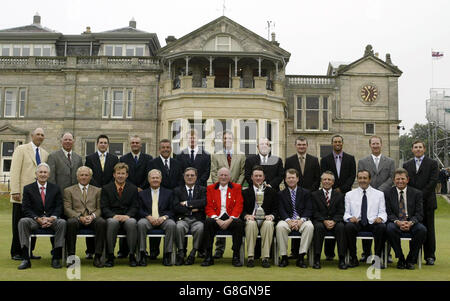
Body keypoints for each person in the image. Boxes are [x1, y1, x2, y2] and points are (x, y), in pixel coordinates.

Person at [17, 163, 66, 270]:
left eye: (45, 172)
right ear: (36, 174)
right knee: (22, 222)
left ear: (48, 175)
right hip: (35, 220)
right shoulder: (28, 189)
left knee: (62, 222)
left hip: (51, 220)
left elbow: (59, 207)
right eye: (41, 172)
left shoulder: (55, 188)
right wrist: (38, 219)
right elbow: (26, 208)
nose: (43, 174)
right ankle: (25, 259)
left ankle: (56, 258)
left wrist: (52, 218)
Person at [10, 127, 49, 261]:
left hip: (36, 196)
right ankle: (16, 252)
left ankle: (29, 251)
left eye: (42, 135)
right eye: (37, 134)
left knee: (34, 223)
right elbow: (14, 170)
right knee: (19, 224)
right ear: (32, 135)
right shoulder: (21, 149)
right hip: (20, 195)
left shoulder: (44, 153)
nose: (40, 136)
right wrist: (15, 190)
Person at [48, 132, 89, 257]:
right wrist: (55, 196)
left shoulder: (78, 158)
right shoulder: (53, 156)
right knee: (58, 226)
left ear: (74, 141)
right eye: (65, 139)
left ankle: (70, 252)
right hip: (59, 198)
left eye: (70, 140)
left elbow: (81, 178)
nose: (67, 142)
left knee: (71, 226)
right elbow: (51, 179)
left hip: (74, 200)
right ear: (61, 141)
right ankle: (57, 251)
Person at [357, 135, 395, 262]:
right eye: (373, 143)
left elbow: (391, 177)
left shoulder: (390, 161)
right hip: (367, 196)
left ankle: (386, 253)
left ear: (381, 144)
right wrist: (371, 190)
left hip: (386, 195)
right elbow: (361, 178)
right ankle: (366, 253)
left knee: (384, 223)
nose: (375, 146)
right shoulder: (363, 161)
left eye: (377, 143)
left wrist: (380, 190)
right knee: (366, 221)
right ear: (370, 145)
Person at [210, 130, 246, 259]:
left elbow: (242, 173)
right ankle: (219, 249)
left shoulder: (241, 155)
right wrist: (221, 187)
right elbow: (214, 173)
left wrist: (235, 187)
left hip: (235, 192)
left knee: (234, 219)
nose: (227, 141)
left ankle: (235, 250)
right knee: (220, 217)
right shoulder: (215, 155)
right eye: (225, 138)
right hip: (219, 192)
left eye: (230, 138)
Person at [403, 140, 439, 265]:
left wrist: (420, 196)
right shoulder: (406, 165)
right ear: (412, 149)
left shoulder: (433, 163)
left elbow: (433, 181)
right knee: (415, 229)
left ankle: (430, 256)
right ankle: (414, 254)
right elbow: (406, 182)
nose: (418, 149)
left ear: (424, 149)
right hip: (412, 204)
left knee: (429, 229)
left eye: (420, 147)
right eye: (415, 147)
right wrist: (415, 198)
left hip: (428, 202)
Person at [320, 134, 356, 260]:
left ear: (342, 143)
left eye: (339, 142)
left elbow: (352, 176)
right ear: (332, 144)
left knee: (341, 224)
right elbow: (324, 175)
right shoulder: (325, 159)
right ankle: (329, 254)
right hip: (329, 195)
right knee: (328, 218)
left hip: (346, 195)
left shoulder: (350, 158)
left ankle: (344, 253)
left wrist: (341, 189)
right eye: (335, 142)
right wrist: (332, 190)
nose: (337, 144)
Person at [284, 136, 320, 258]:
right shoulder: (289, 160)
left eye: (303, 144)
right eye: (299, 144)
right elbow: (287, 179)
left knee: (306, 222)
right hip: (294, 195)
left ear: (307, 145)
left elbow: (317, 179)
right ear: (296, 146)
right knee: (294, 219)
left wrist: (307, 192)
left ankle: (305, 252)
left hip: (309, 196)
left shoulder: (314, 160)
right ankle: (294, 252)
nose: (301, 146)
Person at [64, 166, 106, 268]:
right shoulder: (68, 190)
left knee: (101, 222)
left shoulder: (97, 190)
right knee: (70, 223)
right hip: (77, 219)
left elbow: (100, 208)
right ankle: (71, 257)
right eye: (81, 175)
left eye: (86, 175)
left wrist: (92, 216)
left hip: (92, 218)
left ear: (90, 177)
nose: (84, 177)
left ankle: (97, 256)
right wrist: (79, 217)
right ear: (77, 177)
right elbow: (67, 209)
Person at [148, 139, 183, 259]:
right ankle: (153, 251)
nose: (165, 149)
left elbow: (180, 180)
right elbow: (153, 180)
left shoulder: (177, 163)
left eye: (168, 147)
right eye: (163, 147)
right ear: (159, 149)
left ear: (171, 149)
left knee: (172, 224)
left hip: (174, 198)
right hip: (158, 196)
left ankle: (169, 252)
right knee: (155, 221)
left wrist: (176, 193)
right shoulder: (153, 162)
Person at [385, 168, 427, 270]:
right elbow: (388, 213)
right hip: (395, 222)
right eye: (398, 179)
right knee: (389, 229)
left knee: (422, 230)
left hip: (411, 221)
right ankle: (401, 258)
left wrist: (410, 222)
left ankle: (411, 259)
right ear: (394, 180)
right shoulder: (387, 193)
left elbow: (419, 213)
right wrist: (398, 222)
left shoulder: (417, 193)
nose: (400, 181)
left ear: (407, 179)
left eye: (403, 179)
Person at [118, 135, 153, 258]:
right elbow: (122, 175)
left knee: (141, 222)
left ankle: (143, 250)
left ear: (141, 145)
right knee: (127, 219)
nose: (135, 144)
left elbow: (149, 175)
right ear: (130, 144)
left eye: (137, 143)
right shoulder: (123, 158)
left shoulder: (148, 158)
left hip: (144, 193)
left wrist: (141, 188)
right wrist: (133, 188)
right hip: (129, 193)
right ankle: (123, 250)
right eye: (133, 142)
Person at [344, 170, 387, 268]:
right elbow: (346, 213)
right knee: (349, 227)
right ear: (357, 179)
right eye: (360, 178)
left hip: (373, 223)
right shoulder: (349, 194)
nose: (362, 180)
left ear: (369, 179)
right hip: (357, 222)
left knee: (382, 227)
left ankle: (377, 259)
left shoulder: (379, 194)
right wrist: (350, 218)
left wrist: (380, 218)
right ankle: (353, 258)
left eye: (365, 178)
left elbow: (383, 212)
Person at [201, 167, 244, 267]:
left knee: (239, 224)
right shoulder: (211, 188)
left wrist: (230, 219)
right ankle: (208, 256)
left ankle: (236, 256)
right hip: (216, 218)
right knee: (207, 222)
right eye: (221, 175)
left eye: (226, 175)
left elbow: (239, 204)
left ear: (229, 177)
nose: (223, 177)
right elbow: (208, 206)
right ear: (218, 176)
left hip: (231, 218)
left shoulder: (236, 187)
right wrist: (216, 219)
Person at [101, 163, 139, 267]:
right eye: (118, 173)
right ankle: (110, 256)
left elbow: (135, 206)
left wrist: (128, 216)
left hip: (127, 217)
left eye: (123, 173)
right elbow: (104, 207)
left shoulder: (133, 188)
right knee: (112, 223)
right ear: (114, 175)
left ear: (127, 175)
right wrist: (113, 216)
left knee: (132, 223)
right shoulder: (106, 188)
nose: (120, 176)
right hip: (113, 217)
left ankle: (132, 255)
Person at [137, 169, 177, 267]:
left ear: (161, 179)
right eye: (153, 178)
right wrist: (148, 216)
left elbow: (173, 210)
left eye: (157, 178)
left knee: (171, 224)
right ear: (148, 179)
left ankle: (167, 255)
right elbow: (138, 209)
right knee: (141, 224)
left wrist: (163, 218)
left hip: (163, 220)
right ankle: (142, 254)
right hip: (147, 220)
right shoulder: (142, 193)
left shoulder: (169, 193)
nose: (155, 180)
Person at [276, 169, 314, 268]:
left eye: (293, 178)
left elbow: (309, 209)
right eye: (289, 178)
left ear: (297, 179)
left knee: (309, 227)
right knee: (280, 227)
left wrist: (301, 221)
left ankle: (301, 257)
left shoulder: (306, 192)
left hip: (302, 220)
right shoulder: (280, 194)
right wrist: (289, 221)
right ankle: (284, 257)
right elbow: (281, 209)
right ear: (285, 179)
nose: (291, 180)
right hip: (287, 220)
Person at [241, 165, 278, 268]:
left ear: (264, 177)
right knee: (251, 224)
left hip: (265, 219)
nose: (258, 178)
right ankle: (250, 257)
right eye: (256, 176)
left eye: (260, 176)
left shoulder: (272, 192)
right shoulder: (245, 192)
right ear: (252, 177)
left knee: (269, 224)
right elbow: (241, 210)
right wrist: (246, 216)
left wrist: (272, 216)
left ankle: (265, 258)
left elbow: (276, 210)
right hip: (252, 219)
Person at [311, 171, 347, 269]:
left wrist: (334, 221)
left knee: (341, 227)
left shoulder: (339, 195)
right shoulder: (314, 195)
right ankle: (317, 259)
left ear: (333, 182)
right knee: (318, 227)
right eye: (324, 179)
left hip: (335, 222)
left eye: (329, 179)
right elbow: (314, 212)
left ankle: (342, 259)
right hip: (320, 221)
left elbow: (341, 211)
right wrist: (324, 221)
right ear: (321, 181)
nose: (327, 181)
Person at [173, 167, 206, 265]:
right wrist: (192, 209)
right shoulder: (177, 190)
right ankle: (181, 252)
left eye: (192, 175)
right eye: (187, 175)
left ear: (196, 177)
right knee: (179, 227)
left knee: (200, 228)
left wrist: (187, 203)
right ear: (183, 177)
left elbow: (204, 203)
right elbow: (176, 206)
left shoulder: (202, 190)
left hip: (197, 219)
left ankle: (193, 252)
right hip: (182, 219)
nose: (190, 177)